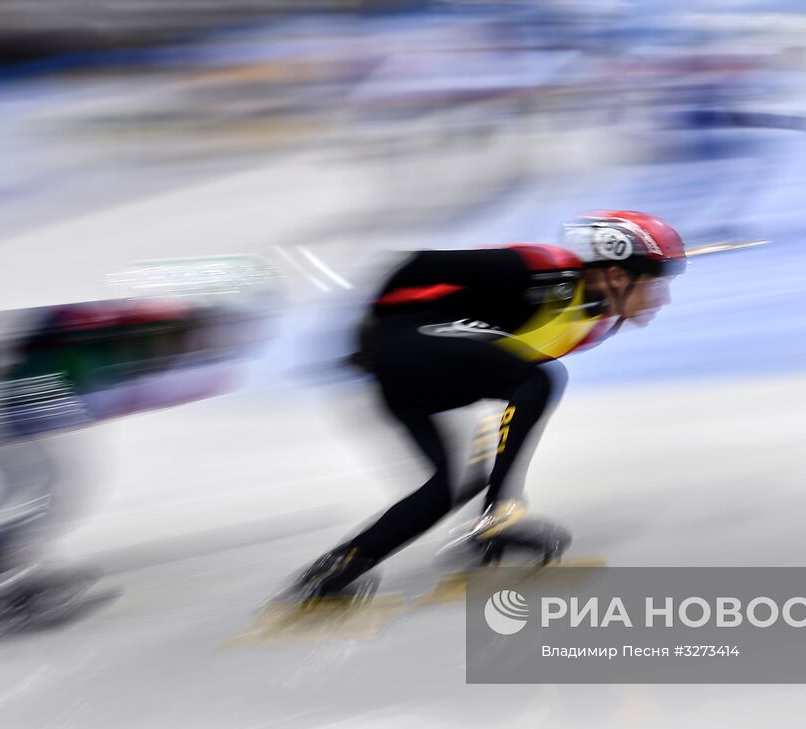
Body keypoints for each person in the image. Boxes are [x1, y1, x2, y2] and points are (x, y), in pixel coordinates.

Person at [286, 210, 686, 602]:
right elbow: (412, 264)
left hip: (419, 371)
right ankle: (498, 514)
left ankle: (338, 567)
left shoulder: (587, 328)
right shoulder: (542, 270)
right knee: (541, 378)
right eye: (655, 283)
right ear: (617, 274)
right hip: (400, 338)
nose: (662, 298)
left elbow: (498, 385)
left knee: (452, 484)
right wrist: (368, 335)